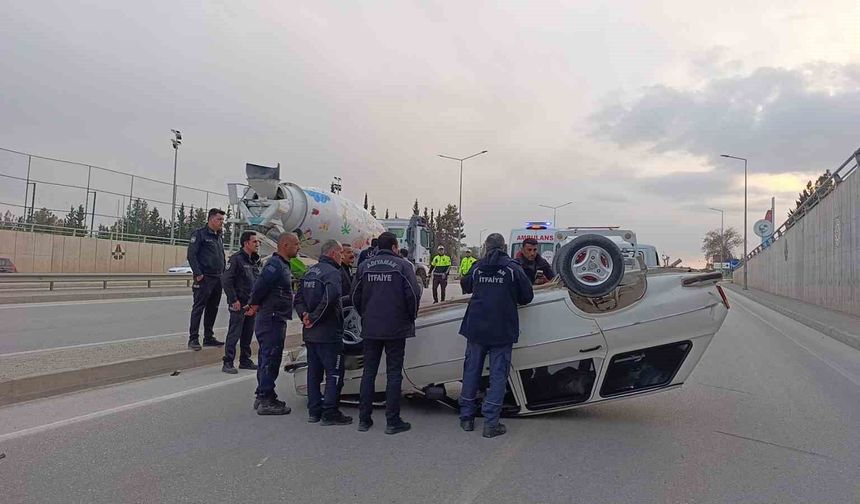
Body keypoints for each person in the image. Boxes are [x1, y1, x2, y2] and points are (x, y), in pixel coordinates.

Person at [459, 233, 534, 438]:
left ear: (486, 247)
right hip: (501, 328)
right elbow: (527, 296)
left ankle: (466, 418)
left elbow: (465, 285)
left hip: (476, 327)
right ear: (503, 247)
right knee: (498, 375)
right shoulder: (512, 268)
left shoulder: (478, 267)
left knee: (471, 371)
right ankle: (491, 424)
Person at [352, 231, 422, 434]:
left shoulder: (365, 266)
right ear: (394, 247)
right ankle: (393, 421)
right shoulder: (403, 266)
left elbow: (355, 295)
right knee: (393, 374)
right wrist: (410, 318)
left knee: (368, 373)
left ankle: (364, 420)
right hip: (396, 328)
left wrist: (365, 314)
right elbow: (413, 295)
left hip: (371, 328)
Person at [294, 239, 353, 426]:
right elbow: (331, 298)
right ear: (334, 253)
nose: (342, 256)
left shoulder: (309, 272)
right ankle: (330, 412)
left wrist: (305, 315)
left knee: (314, 373)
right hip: (328, 333)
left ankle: (314, 411)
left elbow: (298, 299)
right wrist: (313, 317)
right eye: (341, 252)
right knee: (334, 373)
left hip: (310, 333)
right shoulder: (332, 273)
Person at [245, 232, 300, 415]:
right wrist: (253, 304)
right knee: (270, 358)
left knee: (268, 358)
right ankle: (266, 399)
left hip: (277, 317)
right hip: (271, 319)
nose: (298, 247)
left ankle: (263, 395)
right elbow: (260, 286)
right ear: (285, 245)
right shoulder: (275, 265)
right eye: (296, 244)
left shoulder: (283, 265)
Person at [220, 231, 262, 374]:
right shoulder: (236, 259)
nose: (258, 244)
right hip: (239, 303)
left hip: (251, 304)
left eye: (258, 242)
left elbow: (257, 281)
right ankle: (228, 362)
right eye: (255, 242)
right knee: (234, 333)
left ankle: (245, 360)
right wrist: (233, 300)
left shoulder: (255, 260)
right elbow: (226, 280)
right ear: (246, 243)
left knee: (248, 333)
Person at [187, 208, 227, 351]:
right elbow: (191, 255)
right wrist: (198, 274)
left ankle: (208, 337)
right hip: (205, 278)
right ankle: (193, 338)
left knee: (213, 308)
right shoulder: (200, 234)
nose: (222, 222)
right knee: (199, 308)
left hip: (217, 278)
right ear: (210, 219)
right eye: (219, 219)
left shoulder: (218, 236)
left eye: (223, 220)